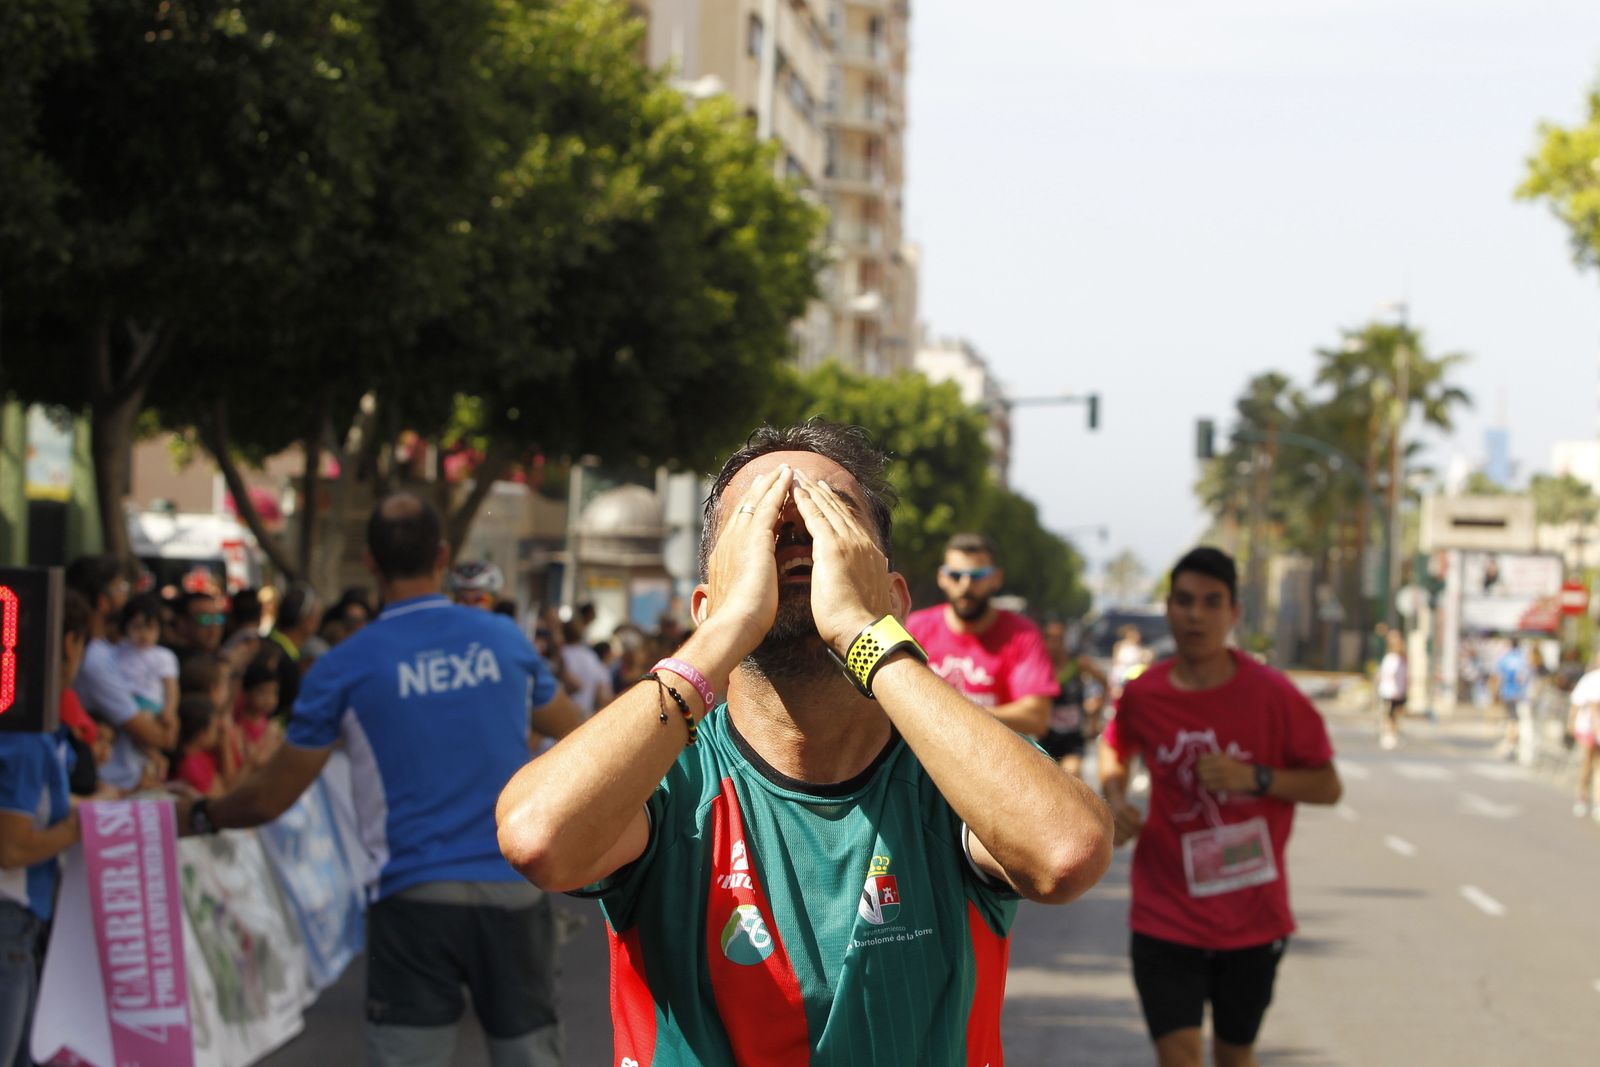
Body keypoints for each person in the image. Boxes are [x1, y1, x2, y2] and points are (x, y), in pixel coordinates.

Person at [496, 421, 1113, 1065]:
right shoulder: (670, 772)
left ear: (893, 598)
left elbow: (1065, 853)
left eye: (828, 517)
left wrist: (863, 634)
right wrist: (726, 631)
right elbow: (539, 837)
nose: (794, 534)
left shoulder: (948, 771)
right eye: (757, 524)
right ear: (704, 604)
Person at [176, 492, 584, 1067]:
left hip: (412, 898)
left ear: (369, 561)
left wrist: (199, 814)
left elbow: (270, 797)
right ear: (442, 556)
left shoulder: (344, 665)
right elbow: (583, 743)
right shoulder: (504, 642)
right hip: (515, 889)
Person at [1098, 546, 1342, 1067]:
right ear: (1168, 608)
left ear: (1233, 613)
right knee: (1180, 1057)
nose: (1195, 614)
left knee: (1235, 1058)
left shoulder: (1275, 696)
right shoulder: (1146, 694)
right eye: (1185, 601)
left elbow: (1328, 786)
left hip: (1252, 917)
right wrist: (1116, 798)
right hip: (1164, 912)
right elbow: (1114, 746)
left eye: (1212, 602)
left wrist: (1255, 777)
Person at [905, 532, 1059, 736]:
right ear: (941, 577)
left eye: (977, 576)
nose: (966, 585)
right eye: (956, 575)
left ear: (996, 578)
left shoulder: (1022, 634)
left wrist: (958, 714)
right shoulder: (915, 628)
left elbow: (1036, 717)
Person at [0, 697, 82, 1066]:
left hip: (21, 926)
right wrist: (75, 830)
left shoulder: (35, 738)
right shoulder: (26, 739)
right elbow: (11, 849)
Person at [66, 554, 177, 790]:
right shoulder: (94, 660)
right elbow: (153, 734)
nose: (126, 594)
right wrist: (165, 730)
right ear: (102, 600)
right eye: (120, 587)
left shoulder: (109, 650)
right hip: (113, 785)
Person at [1042, 618, 1109, 777]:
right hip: (1046, 736)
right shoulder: (1040, 665)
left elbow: (1105, 683)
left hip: (1073, 736)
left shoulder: (1078, 663)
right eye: (1049, 637)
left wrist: (1097, 709)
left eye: (1058, 638)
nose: (1053, 643)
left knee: (1071, 776)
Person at [117, 594, 181, 724]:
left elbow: (171, 688)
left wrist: (169, 711)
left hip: (152, 708)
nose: (144, 634)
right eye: (137, 627)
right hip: (122, 705)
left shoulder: (164, 656)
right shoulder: (119, 650)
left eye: (150, 627)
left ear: (159, 629)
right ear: (126, 626)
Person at [266, 581, 320, 719]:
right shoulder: (281, 658)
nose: (318, 621)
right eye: (316, 615)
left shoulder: (275, 646)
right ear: (305, 619)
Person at [1568, 651, 1600, 820]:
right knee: (1587, 763)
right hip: (1587, 728)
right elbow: (1577, 702)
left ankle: (1597, 802)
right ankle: (1582, 796)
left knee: (1598, 766)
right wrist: (1572, 722)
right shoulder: (1590, 679)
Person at [1494, 640, 1532, 761]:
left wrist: (1497, 692)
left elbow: (1500, 677)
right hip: (1520, 694)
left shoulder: (1505, 659)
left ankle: (1511, 744)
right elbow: (1524, 676)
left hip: (1508, 693)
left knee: (1512, 720)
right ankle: (1513, 743)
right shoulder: (1522, 659)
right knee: (1516, 720)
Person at [1376, 629, 1409, 750]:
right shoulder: (1390, 657)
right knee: (1389, 715)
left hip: (1398, 690)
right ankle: (1389, 735)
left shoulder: (1402, 657)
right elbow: (1387, 674)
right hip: (1390, 691)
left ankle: (1393, 734)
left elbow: (1403, 675)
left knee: (1395, 715)